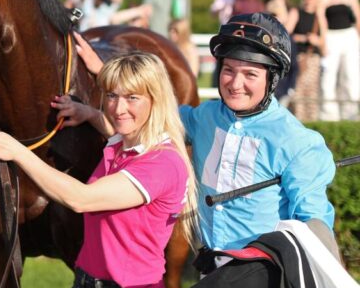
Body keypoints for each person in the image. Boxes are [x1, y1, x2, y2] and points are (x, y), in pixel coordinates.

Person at [0, 52, 197, 288]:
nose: (118, 108)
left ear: (156, 100)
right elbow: (113, 127)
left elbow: (82, 199)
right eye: (112, 95)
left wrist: (18, 152)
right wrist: (89, 113)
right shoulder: (120, 145)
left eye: (132, 98)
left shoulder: (162, 162)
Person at [71, 13, 338, 260]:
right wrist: (102, 77)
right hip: (210, 271)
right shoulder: (204, 117)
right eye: (229, 70)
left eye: (250, 74)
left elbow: (315, 226)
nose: (235, 83)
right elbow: (148, 114)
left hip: (264, 280)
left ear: (273, 78)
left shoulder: (300, 143)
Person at [317, 0, 360, 121]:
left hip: (349, 36)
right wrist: (323, 41)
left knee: (351, 76)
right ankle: (329, 116)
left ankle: (351, 115)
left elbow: (357, 16)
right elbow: (321, 19)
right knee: (329, 76)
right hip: (331, 36)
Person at [291, 0, 324, 121]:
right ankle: (299, 121)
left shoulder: (320, 16)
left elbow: (324, 43)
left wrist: (316, 41)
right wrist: (303, 38)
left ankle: (311, 122)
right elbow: (287, 33)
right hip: (299, 58)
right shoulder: (296, 12)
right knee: (298, 93)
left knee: (312, 94)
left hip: (314, 59)